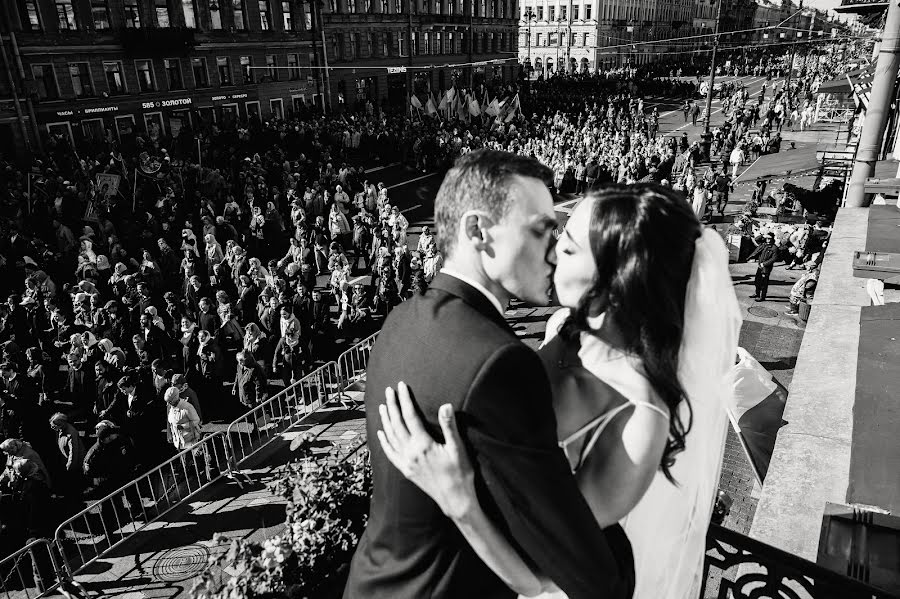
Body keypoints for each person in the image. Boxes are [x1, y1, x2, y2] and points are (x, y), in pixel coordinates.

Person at [371, 183, 742, 599]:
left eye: (565, 248)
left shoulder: (639, 420)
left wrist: (457, 498)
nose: (548, 253)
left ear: (612, 282)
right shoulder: (563, 328)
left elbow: (547, 578)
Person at [343, 150, 635, 599]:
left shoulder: (403, 318)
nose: (556, 251)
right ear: (478, 230)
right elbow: (596, 578)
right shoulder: (500, 363)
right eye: (541, 230)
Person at [748, 233, 778, 302]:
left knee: (764, 282)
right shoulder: (763, 244)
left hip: (766, 267)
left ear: (772, 239)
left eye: (770, 238)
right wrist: (763, 235)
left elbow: (774, 258)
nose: (768, 240)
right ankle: (757, 293)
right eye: (767, 238)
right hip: (760, 266)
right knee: (757, 281)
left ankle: (762, 296)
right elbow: (756, 239)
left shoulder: (774, 248)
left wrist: (764, 264)